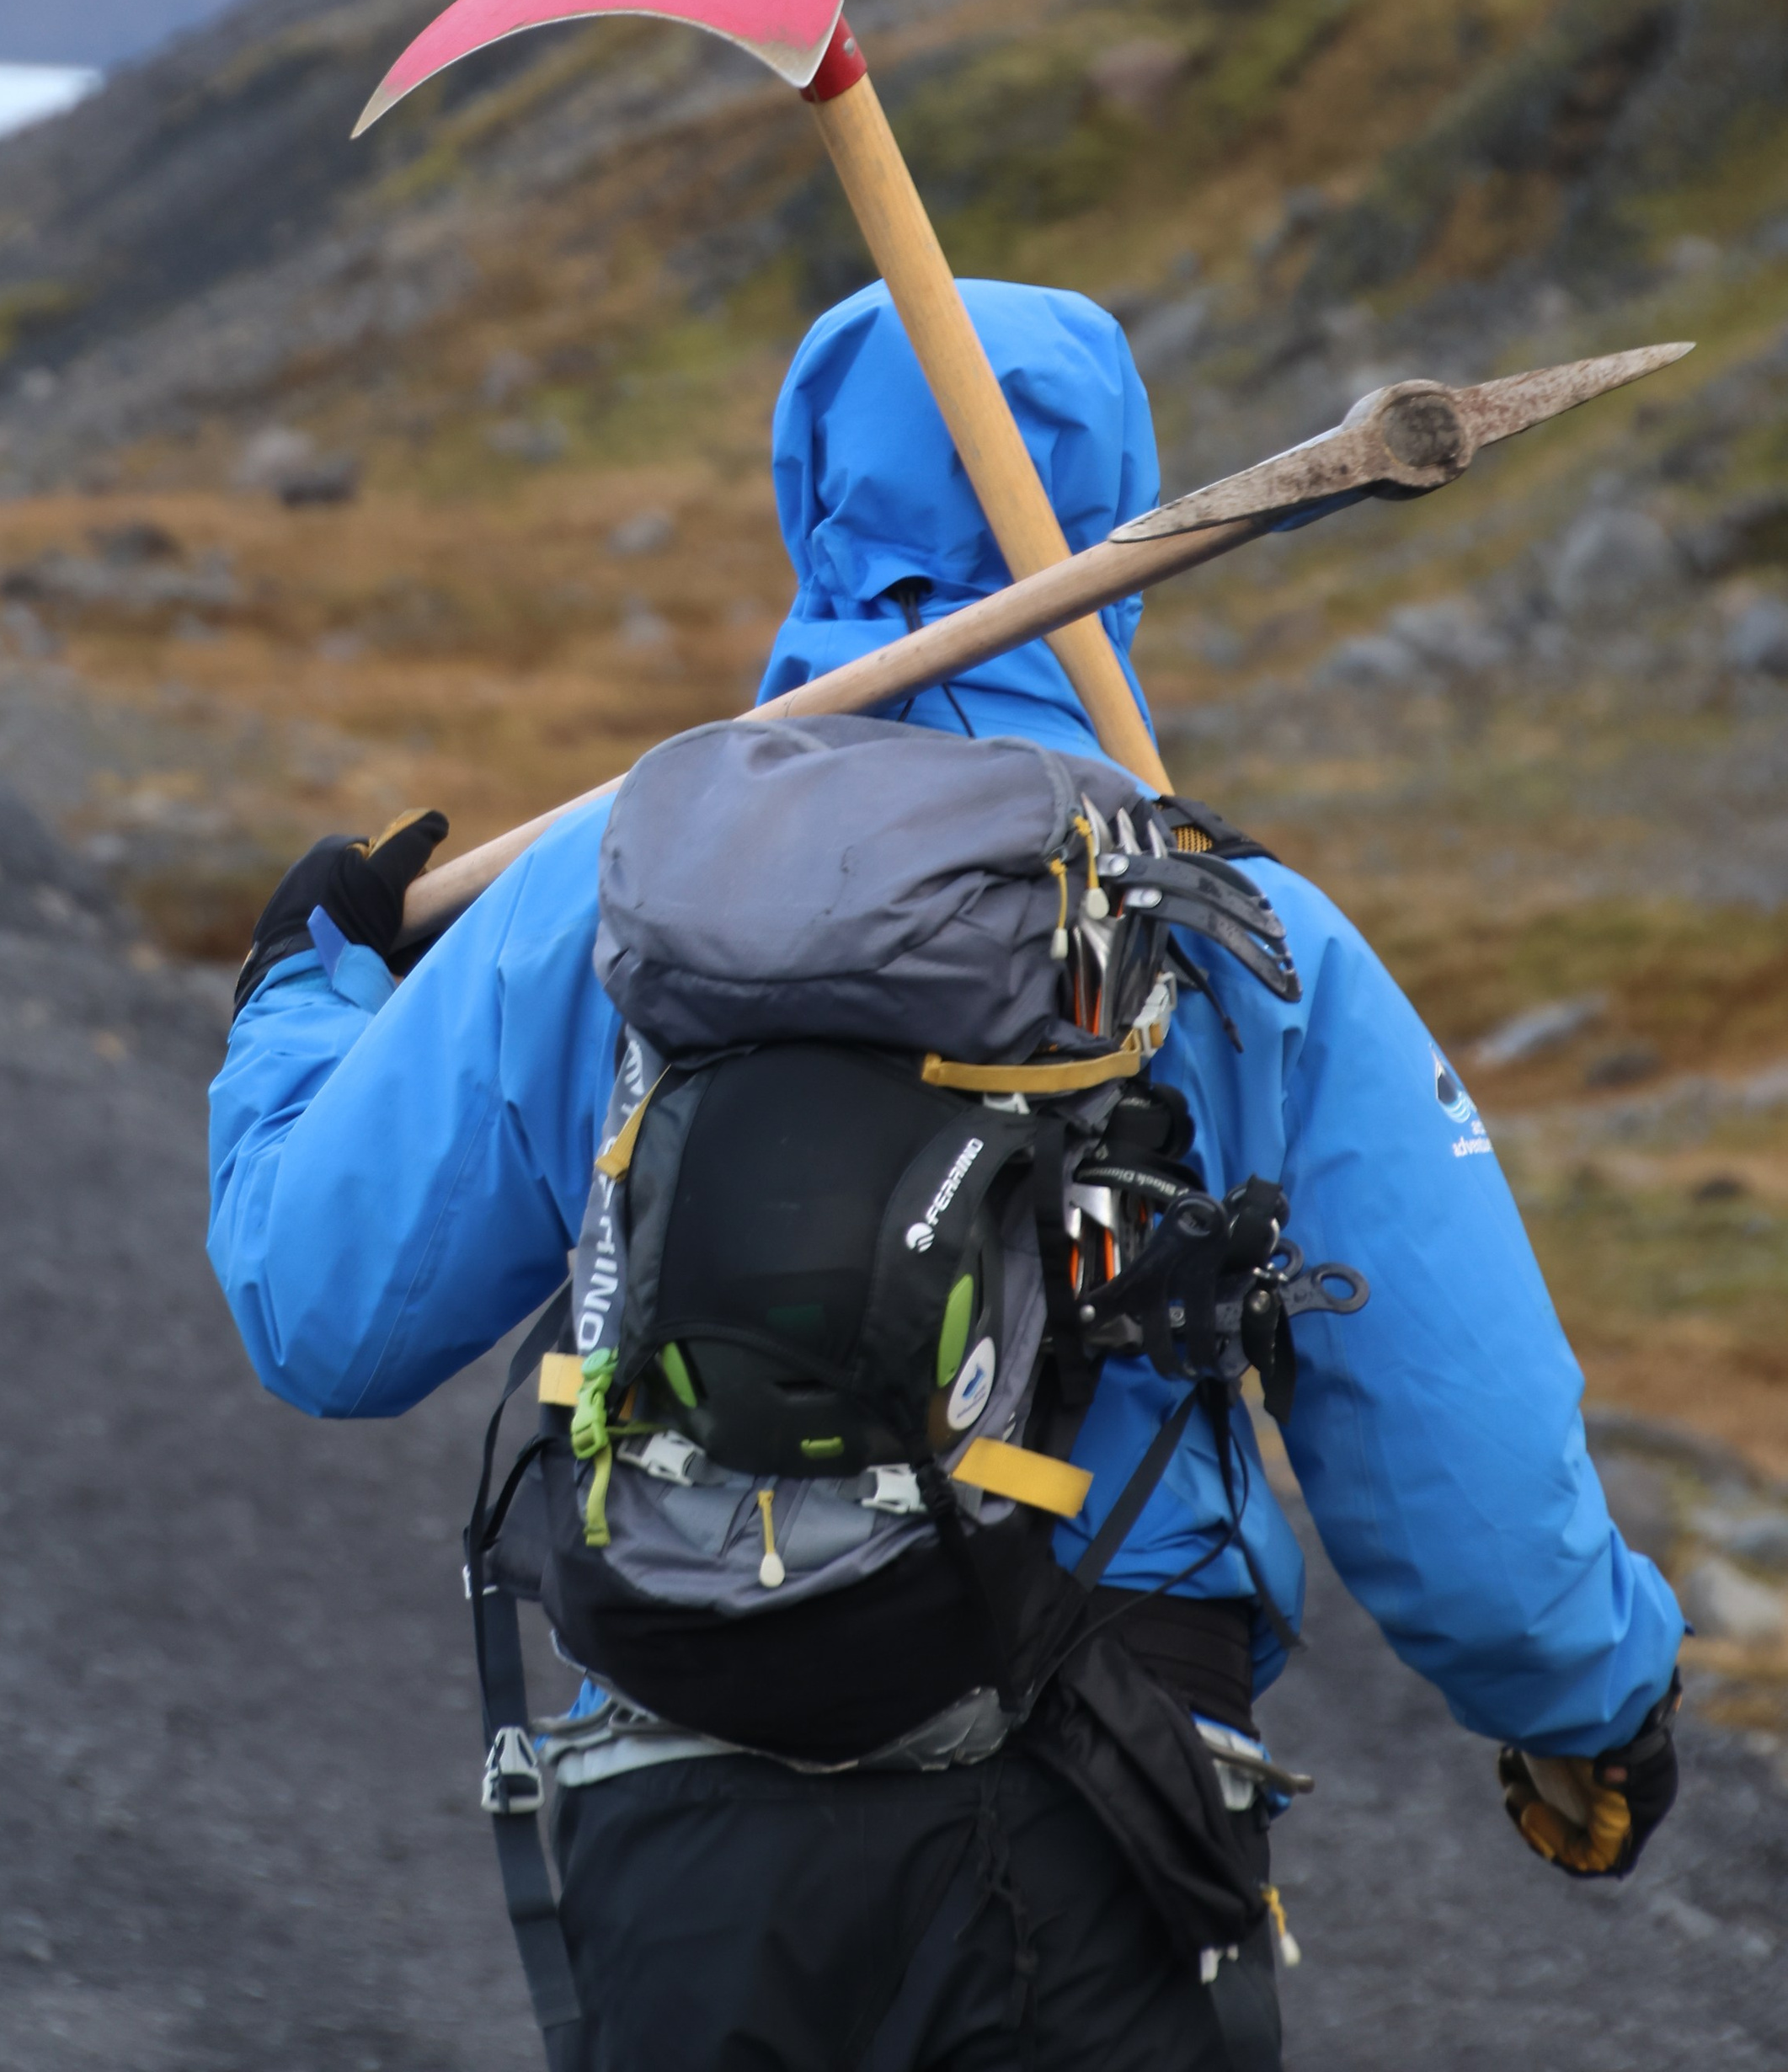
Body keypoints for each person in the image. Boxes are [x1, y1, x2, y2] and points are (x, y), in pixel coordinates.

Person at [207, 281, 1685, 2072]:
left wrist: (306, 990)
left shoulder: (609, 882)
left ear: (804, 491)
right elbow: (1452, 1422)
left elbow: (321, 1312)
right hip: (1096, 1804)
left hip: (681, 1809)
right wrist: (1586, 1711)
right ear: (1123, 512)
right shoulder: (1226, 929)